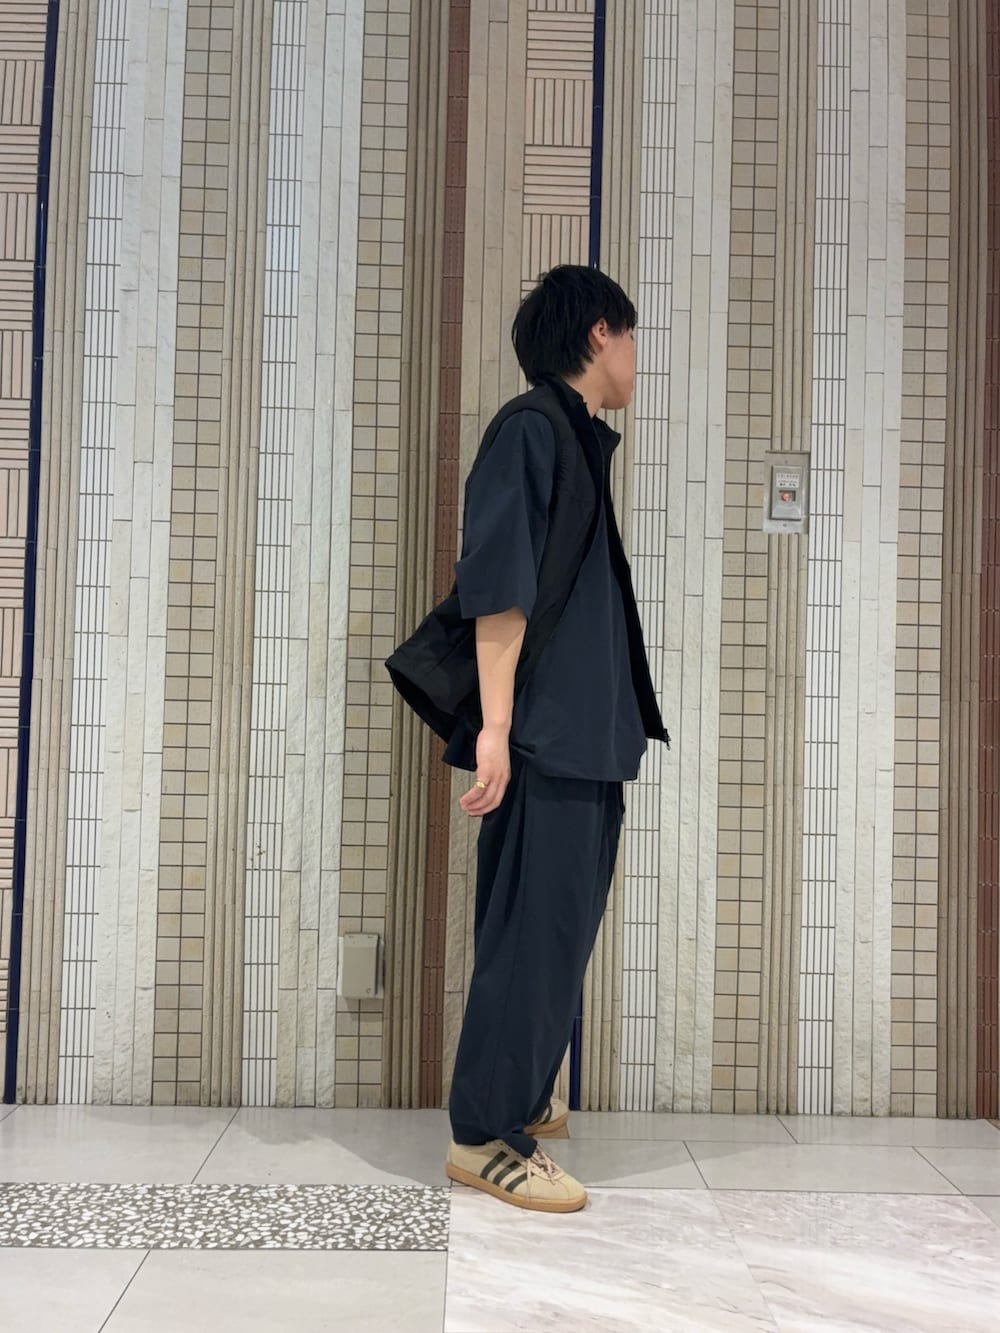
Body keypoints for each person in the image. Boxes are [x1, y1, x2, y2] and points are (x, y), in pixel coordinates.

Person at [388, 265, 668, 1213]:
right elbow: (497, 588)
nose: (636, 357)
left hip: (587, 736)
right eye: (631, 335)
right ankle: (483, 1135)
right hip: (548, 736)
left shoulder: (575, 438)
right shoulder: (530, 431)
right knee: (530, 937)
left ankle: (526, 1093)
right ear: (599, 334)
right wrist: (498, 729)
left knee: (559, 932)